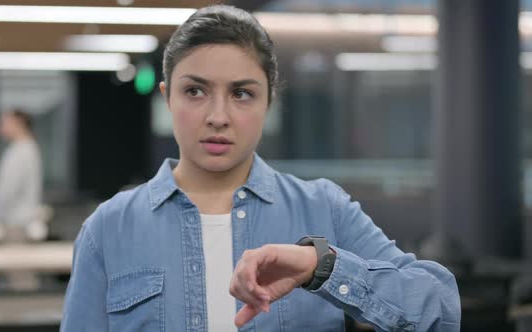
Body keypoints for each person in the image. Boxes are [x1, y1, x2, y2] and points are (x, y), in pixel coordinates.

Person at [61, 5, 460, 331]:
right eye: (195, 91)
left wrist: (322, 267)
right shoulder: (108, 229)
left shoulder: (324, 209)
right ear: (167, 97)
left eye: (242, 93)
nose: (218, 116)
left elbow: (439, 309)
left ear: (269, 102)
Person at [0, 109, 44, 242]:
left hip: (14, 226)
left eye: (5, 122)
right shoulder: (27, 149)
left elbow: (6, 190)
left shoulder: (21, 152)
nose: (1, 127)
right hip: (17, 223)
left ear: (19, 123)